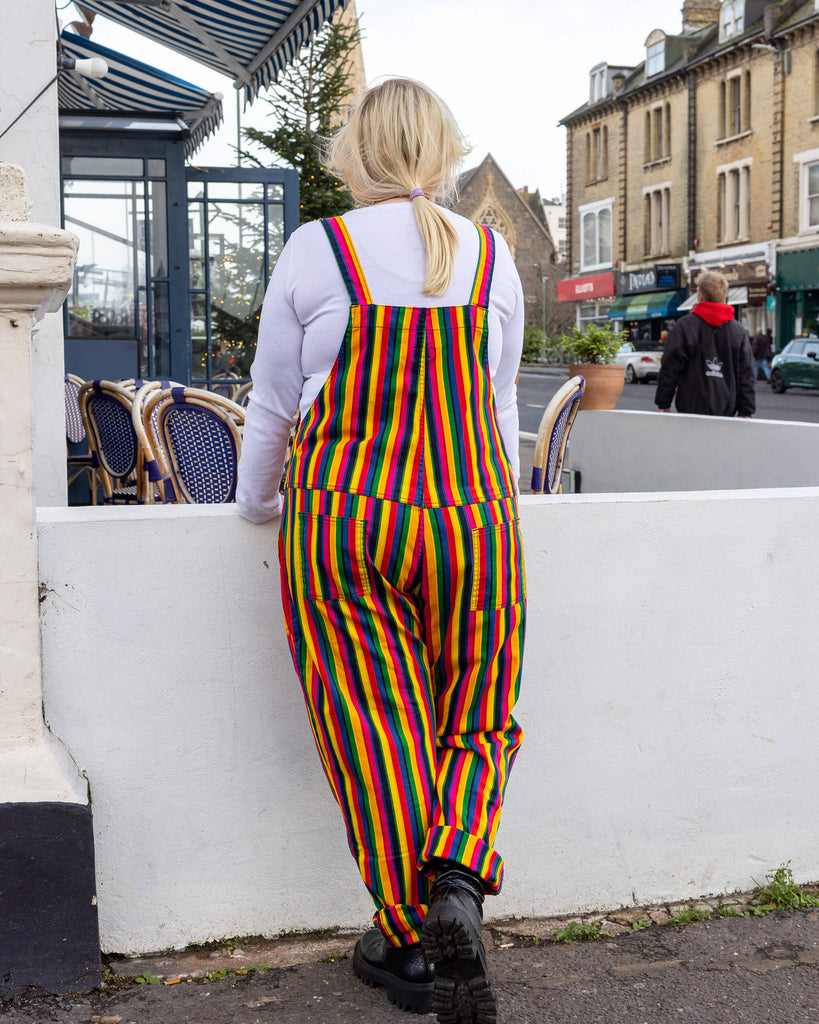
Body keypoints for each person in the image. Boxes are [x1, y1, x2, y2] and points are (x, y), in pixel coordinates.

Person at [236, 78, 526, 1024]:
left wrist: (255, 505)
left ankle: (406, 939)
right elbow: (500, 405)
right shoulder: (490, 254)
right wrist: (498, 511)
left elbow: (274, 402)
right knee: (479, 711)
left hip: (346, 520)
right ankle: (459, 881)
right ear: (445, 153)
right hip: (473, 515)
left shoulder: (316, 249)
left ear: (351, 157)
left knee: (372, 721)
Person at [655, 269, 755, 417]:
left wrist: (664, 402)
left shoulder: (685, 326)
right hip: (726, 408)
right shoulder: (738, 331)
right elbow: (746, 374)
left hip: (690, 407)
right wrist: (746, 410)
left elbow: (670, 366)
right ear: (723, 296)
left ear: (700, 296)